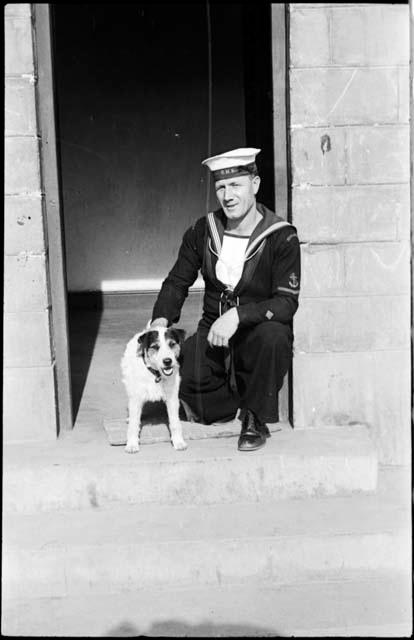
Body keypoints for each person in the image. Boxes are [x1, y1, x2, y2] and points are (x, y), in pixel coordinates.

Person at [150, 148, 301, 451]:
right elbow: (178, 280)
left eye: (236, 185)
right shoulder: (204, 230)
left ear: (255, 185)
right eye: (220, 187)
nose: (227, 195)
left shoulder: (281, 236)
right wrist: (160, 320)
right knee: (188, 378)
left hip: (255, 331)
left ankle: (255, 418)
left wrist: (238, 316)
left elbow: (286, 303)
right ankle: (235, 400)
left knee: (274, 337)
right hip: (213, 331)